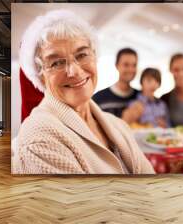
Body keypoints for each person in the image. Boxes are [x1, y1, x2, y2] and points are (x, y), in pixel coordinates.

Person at [13, 9, 155, 174]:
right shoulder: (38, 136)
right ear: (40, 76)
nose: (74, 71)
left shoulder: (117, 125)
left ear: (95, 57)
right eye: (57, 63)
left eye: (82, 55)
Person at [92, 48, 139, 118]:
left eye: (134, 65)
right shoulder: (98, 99)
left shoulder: (141, 97)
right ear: (116, 65)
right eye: (126, 65)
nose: (131, 69)